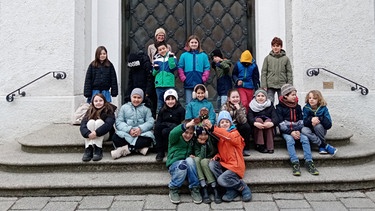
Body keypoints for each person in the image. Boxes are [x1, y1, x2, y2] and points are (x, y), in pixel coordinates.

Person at [204, 111, 252, 202]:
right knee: (212, 164)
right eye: (222, 122)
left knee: (221, 180)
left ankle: (242, 187)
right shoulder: (220, 136)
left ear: (230, 123)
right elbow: (225, 151)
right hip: (226, 164)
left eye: (227, 121)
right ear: (219, 124)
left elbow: (228, 137)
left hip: (235, 166)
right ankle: (230, 189)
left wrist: (213, 128)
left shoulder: (235, 134)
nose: (225, 124)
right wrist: (217, 156)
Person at [276, 84, 319, 176]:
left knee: (305, 139)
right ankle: (295, 162)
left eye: (295, 94)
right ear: (285, 96)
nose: (295, 96)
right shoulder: (279, 108)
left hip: (297, 130)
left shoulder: (298, 107)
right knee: (290, 140)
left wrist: (298, 130)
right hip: (286, 131)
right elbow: (280, 124)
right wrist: (291, 132)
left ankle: (309, 161)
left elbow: (301, 121)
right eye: (293, 95)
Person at [111, 88, 155, 159]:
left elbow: (150, 122)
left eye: (139, 98)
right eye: (134, 97)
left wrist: (140, 129)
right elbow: (119, 122)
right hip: (127, 133)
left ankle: (124, 150)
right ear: (131, 97)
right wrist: (129, 130)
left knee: (148, 140)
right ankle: (138, 149)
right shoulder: (124, 107)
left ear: (142, 98)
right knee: (115, 138)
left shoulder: (146, 109)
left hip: (141, 133)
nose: (136, 100)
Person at [167, 119, 202, 204]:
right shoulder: (175, 138)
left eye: (190, 133)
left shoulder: (192, 141)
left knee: (189, 160)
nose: (188, 135)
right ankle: (174, 188)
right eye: (186, 132)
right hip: (175, 165)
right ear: (182, 131)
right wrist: (186, 125)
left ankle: (195, 188)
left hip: (188, 166)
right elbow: (173, 133)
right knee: (182, 164)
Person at [80, 93, 116, 162]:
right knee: (91, 122)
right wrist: (88, 134)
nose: (98, 103)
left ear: (104, 101)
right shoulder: (90, 110)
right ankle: (89, 148)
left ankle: (98, 149)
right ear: (93, 102)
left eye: (100, 100)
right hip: (91, 135)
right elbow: (83, 125)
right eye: (96, 101)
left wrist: (96, 133)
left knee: (99, 122)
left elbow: (108, 124)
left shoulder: (109, 110)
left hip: (105, 135)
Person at [301, 90, 337, 155]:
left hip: (321, 130)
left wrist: (319, 119)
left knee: (318, 126)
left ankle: (321, 146)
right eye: (310, 98)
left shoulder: (323, 108)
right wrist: (311, 120)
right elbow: (305, 122)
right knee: (303, 130)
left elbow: (328, 125)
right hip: (310, 129)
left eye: (314, 98)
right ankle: (323, 145)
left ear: (319, 99)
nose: (311, 100)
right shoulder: (306, 108)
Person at [178, 35, 210, 105]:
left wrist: (204, 78)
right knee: (189, 102)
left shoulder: (203, 55)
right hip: (188, 82)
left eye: (195, 42)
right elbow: (180, 67)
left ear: (198, 44)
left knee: (199, 102)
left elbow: (207, 67)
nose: (194, 44)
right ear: (188, 44)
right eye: (192, 42)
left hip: (199, 82)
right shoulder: (184, 55)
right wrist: (183, 78)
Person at [154, 89, 185, 162]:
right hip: (164, 127)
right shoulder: (162, 110)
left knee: (165, 131)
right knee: (158, 128)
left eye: (172, 99)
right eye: (168, 99)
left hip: (175, 130)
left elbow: (182, 123)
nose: (170, 101)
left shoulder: (181, 110)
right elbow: (159, 122)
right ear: (165, 101)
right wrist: (166, 124)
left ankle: (170, 149)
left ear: (176, 99)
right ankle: (160, 151)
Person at [192, 126, 221, 204]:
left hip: (213, 159)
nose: (203, 137)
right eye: (200, 135)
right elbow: (201, 156)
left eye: (205, 134)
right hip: (203, 160)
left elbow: (217, 145)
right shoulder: (196, 143)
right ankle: (203, 186)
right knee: (198, 160)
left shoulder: (211, 139)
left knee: (204, 161)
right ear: (197, 136)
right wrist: (203, 145)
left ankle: (214, 187)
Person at [261, 37, 293, 104]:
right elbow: (264, 72)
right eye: (273, 46)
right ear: (271, 47)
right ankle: (270, 114)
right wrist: (264, 85)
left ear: (281, 47)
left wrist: (289, 85)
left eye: (277, 46)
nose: (275, 48)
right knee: (270, 101)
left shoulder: (286, 59)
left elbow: (289, 72)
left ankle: (280, 114)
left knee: (283, 102)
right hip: (270, 84)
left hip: (282, 85)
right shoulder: (267, 58)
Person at [221, 88, 252, 156]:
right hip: (229, 126)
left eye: (237, 97)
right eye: (233, 97)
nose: (235, 99)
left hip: (239, 125)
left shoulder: (241, 107)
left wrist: (239, 110)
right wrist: (232, 126)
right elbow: (223, 120)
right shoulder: (225, 107)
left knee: (246, 127)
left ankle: (245, 148)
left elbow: (243, 121)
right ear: (229, 99)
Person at [126, 51, 157, 118]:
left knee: (149, 106)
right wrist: (129, 93)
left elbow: (150, 79)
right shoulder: (132, 68)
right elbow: (130, 80)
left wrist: (147, 92)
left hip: (146, 89)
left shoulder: (146, 64)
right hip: (135, 89)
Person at [248, 89, 278, 153]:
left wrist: (271, 123)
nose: (260, 98)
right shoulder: (252, 105)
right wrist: (255, 123)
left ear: (266, 97)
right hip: (257, 128)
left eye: (262, 96)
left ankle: (270, 146)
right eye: (258, 96)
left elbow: (275, 118)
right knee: (259, 120)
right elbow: (249, 118)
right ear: (255, 97)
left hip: (268, 127)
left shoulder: (270, 105)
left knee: (268, 120)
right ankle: (260, 145)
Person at [152, 41, 178, 112]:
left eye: (163, 48)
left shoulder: (172, 57)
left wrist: (171, 58)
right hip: (159, 85)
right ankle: (159, 117)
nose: (162, 51)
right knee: (160, 102)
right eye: (160, 50)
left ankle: (171, 116)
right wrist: (156, 69)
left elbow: (173, 68)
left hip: (169, 84)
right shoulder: (156, 59)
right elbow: (153, 73)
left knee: (170, 101)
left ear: (167, 48)